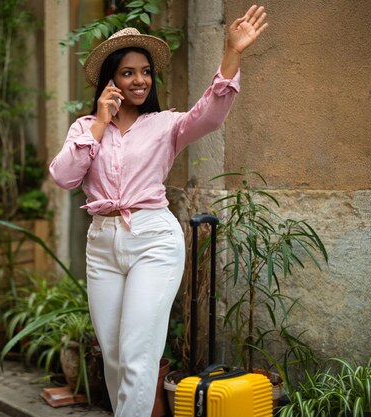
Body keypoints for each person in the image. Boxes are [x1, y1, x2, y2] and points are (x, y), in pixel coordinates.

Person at [49, 5, 268, 416]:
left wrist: (232, 52)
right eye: (128, 72)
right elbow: (64, 176)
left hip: (153, 240)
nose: (139, 80)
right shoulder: (84, 128)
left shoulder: (166, 124)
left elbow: (211, 113)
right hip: (102, 245)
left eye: (145, 72)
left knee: (137, 353)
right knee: (113, 357)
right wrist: (100, 122)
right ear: (110, 78)